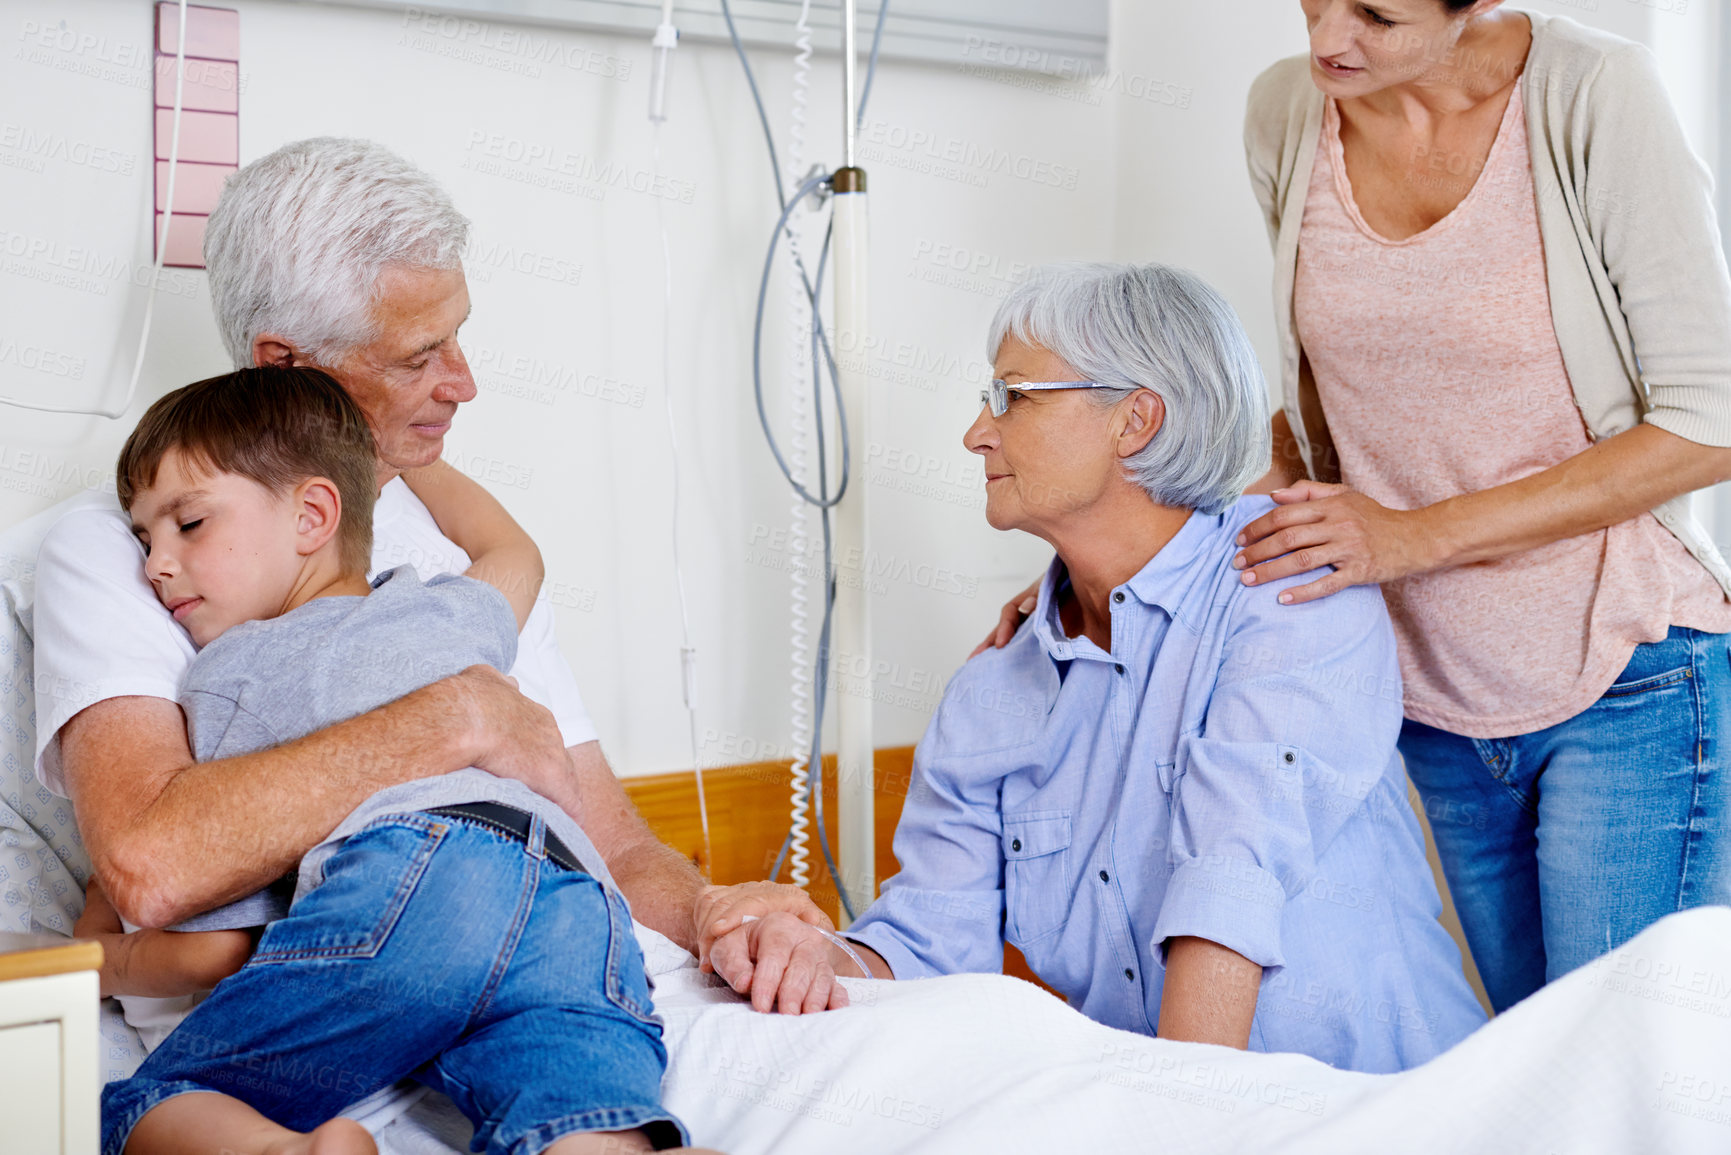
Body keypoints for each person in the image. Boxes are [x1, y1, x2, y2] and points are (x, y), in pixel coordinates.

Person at [31, 136, 825, 1071]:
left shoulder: (448, 559)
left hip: (543, 971)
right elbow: (153, 865)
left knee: (989, 1031)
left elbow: (605, 833)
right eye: (419, 356)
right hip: (333, 1013)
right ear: (287, 365)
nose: (465, 381)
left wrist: (712, 911)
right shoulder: (135, 548)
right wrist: (460, 716)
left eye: (457, 334)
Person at [700, 262, 1488, 1073]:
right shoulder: (992, 689)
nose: (977, 431)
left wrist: (1177, 1120)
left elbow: (1228, 883)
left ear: (1136, 420)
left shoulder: (1289, 586)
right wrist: (809, 958)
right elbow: (927, 946)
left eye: (1012, 395)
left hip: (1382, 1114)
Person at [1226, 0, 1731, 1013]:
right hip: (1430, 690)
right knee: (1523, 1058)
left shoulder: (1594, 96)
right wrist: (1114, 578)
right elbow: (1325, 414)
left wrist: (1410, 537)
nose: (1331, 38)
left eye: (1377, 14)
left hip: (1623, 661)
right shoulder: (1288, 111)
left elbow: (1709, 419)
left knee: (1612, 1059)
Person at [94, 367, 713, 1155]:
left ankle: (291, 1149)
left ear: (314, 513)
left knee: (152, 1104)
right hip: (580, 903)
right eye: (144, 538)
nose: (155, 564)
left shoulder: (233, 672)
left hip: (422, 878)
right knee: (576, 1116)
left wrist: (106, 957)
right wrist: (412, 456)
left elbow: (218, 949)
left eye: (187, 524)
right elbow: (515, 551)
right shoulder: (449, 607)